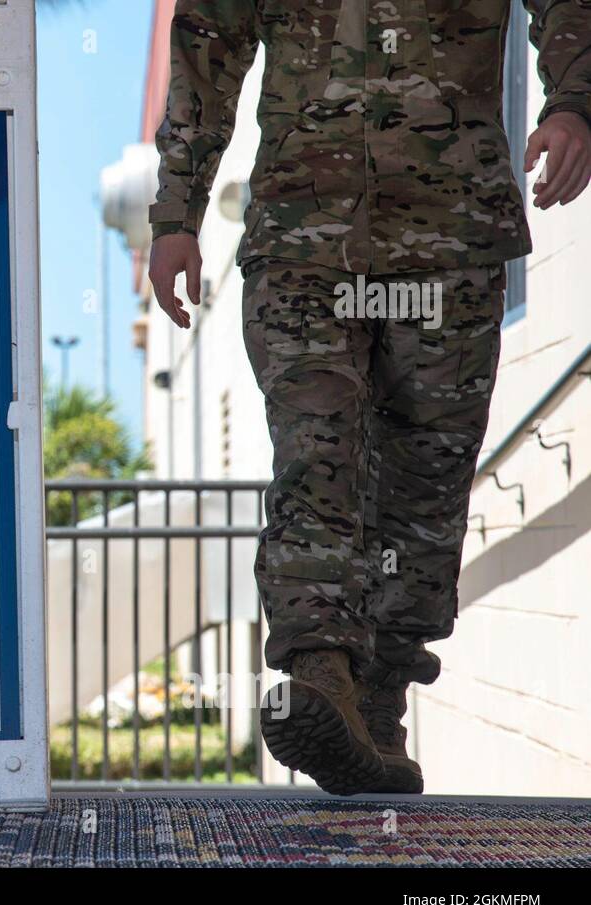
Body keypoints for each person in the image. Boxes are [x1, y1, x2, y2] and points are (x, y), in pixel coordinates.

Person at [148, 0, 591, 794]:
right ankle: (322, 674)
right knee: (317, 461)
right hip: (303, 245)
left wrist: (572, 102)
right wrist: (177, 213)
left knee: (426, 487)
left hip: (450, 239)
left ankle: (376, 712)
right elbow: (207, 42)